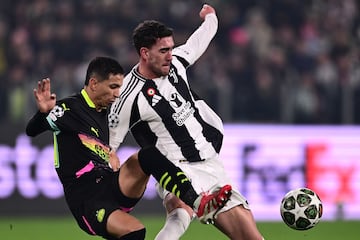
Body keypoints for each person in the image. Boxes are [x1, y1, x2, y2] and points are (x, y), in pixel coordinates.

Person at [26, 56, 232, 240]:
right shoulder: (68, 109)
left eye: (120, 87)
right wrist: (43, 113)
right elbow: (32, 130)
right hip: (86, 198)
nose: (117, 94)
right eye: (113, 87)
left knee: (148, 155)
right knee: (135, 232)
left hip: (109, 183)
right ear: (94, 83)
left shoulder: (107, 111)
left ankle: (198, 202)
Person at [109, 4, 265, 240]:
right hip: (176, 166)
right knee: (180, 213)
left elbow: (198, 41)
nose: (170, 55)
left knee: (250, 237)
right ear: (144, 53)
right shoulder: (128, 95)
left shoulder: (175, 64)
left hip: (210, 162)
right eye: (163, 50)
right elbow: (109, 144)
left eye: (171, 48)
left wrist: (210, 17)